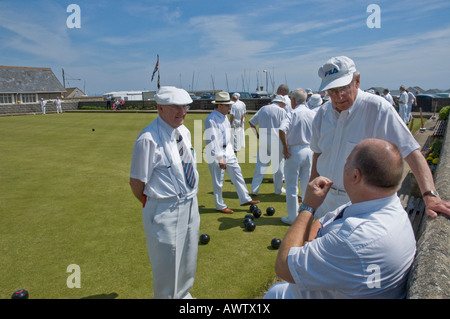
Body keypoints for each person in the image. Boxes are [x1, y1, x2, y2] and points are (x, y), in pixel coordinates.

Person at [264, 138, 417, 299]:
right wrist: (311, 246)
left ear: (355, 176)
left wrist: (308, 207)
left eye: (347, 162)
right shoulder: (384, 205)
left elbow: (284, 266)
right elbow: (322, 221)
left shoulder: (352, 238)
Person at [310, 56, 450, 219]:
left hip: (364, 206)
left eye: (344, 88)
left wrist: (430, 195)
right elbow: (318, 153)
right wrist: (310, 197)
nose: (339, 96)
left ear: (357, 81)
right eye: (332, 90)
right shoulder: (322, 113)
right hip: (326, 202)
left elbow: (411, 151)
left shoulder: (378, 109)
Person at [129, 86, 200, 299]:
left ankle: (183, 295)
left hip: (190, 203)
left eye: (185, 107)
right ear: (160, 108)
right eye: (175, 107)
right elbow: (136, 182)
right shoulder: (148, 139)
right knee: (167, 266)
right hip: (165, 208)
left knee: (188, 258)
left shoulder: (184, 132)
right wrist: (155, 204)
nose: (182, 112)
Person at [205, 91, 259, 214]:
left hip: (228, 149)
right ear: (219, 105)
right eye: (227, 105)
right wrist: (219, 158)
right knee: (218, 181)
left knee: (237, 172)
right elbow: (212, 140)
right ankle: (220, 205)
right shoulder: (211, 119)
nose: (230, 107)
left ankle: (245, 198)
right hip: (216, 152)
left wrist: (230, 151)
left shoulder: (224, 117)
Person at [279, 89, 316, 224]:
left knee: (291, 186)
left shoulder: (292, 113)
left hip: (295, 151)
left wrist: (284, 147)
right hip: (310, 151)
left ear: (293, 100)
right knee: (306, 185)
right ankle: (306, 216)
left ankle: (293, 217)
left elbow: (282, 129)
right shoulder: (313, 114)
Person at [249, 95, 287, 195]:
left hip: (263, 139)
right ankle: (278, 190)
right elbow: (284, 128)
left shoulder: (263, 109)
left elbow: (251, 122)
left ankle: (254, 189)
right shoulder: (281, 111)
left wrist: (256, 134)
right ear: (281, 103)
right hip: (276, 139)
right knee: (278, 166)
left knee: (260, 165)